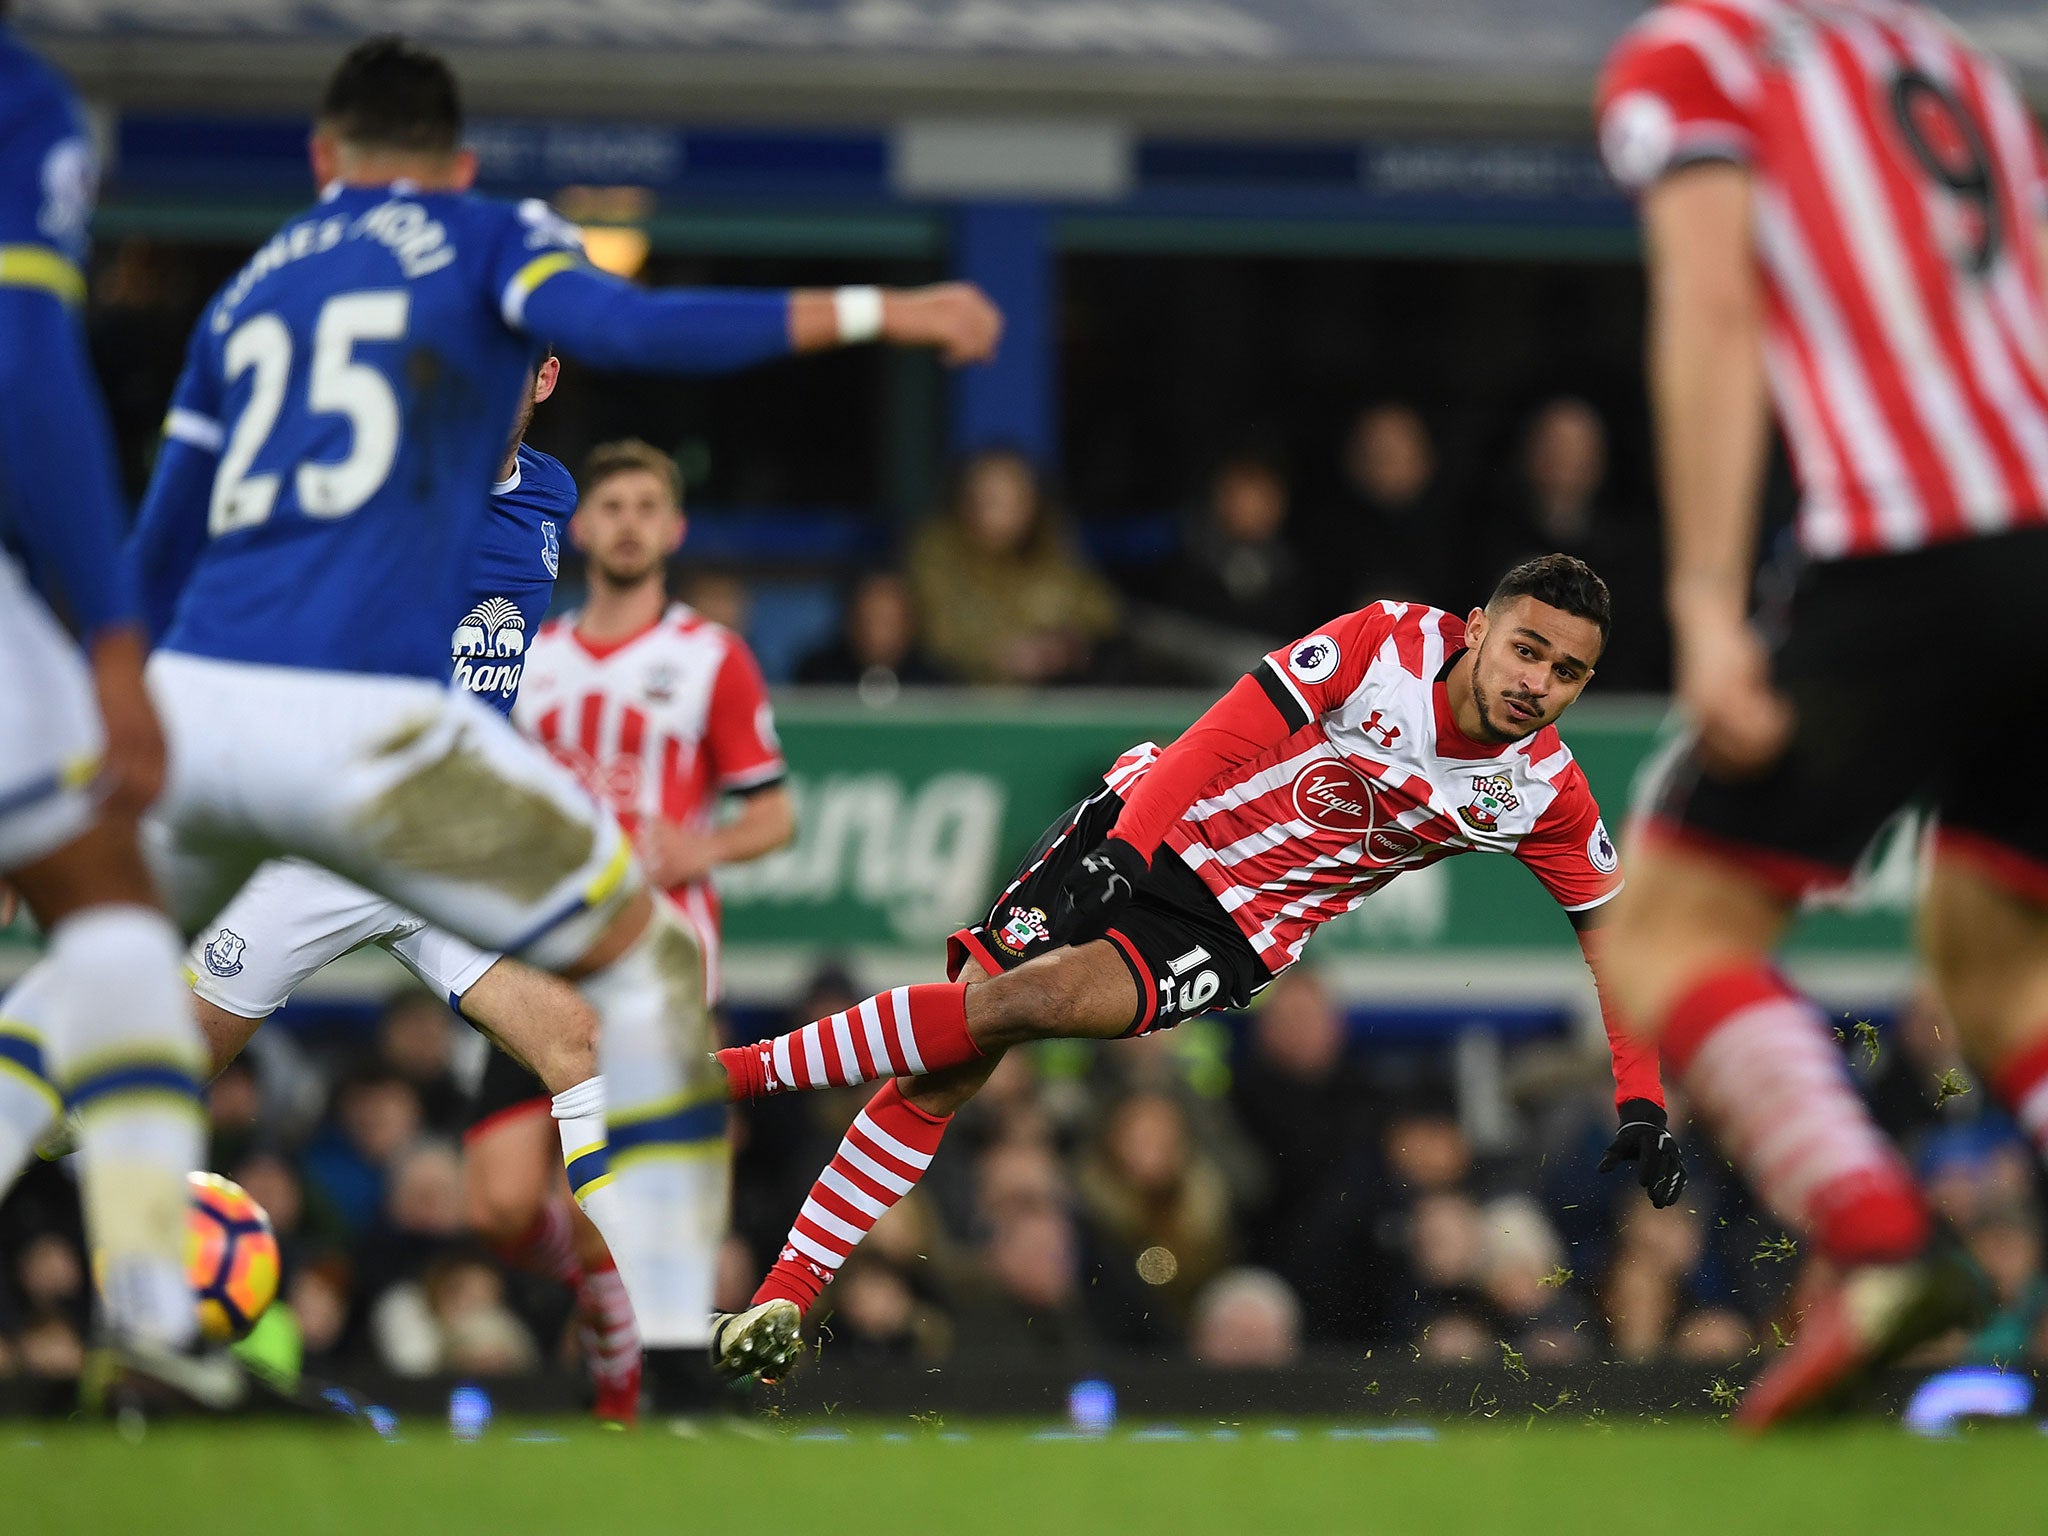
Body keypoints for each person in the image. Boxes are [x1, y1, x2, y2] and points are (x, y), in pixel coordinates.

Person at [68, 34, 998, 1414]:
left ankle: (673, 1361)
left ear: (543, 377)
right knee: (150, 1057)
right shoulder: (389, 473)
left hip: (429, 828)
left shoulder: (547, 495)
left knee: (580, 1043)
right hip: (311, 820)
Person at [710, 554, 1689, 1380]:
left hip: (1234, 935)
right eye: (1525, 649)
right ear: (1475, 630)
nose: (1536, 683)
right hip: (1151, 829)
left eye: (1566, 673)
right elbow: (1223, 731)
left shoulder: (1543, 794)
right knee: (955, 1058)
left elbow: (1613, 945)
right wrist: (1125, 851)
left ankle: (721, 1082)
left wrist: (1639, 1100)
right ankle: (782, 1293)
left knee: (1019, 1005)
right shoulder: (1381, 644)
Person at [1594, 0, 2048, 1428]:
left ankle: (1880, 1246)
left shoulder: (1706, 54)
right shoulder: (1961, 61)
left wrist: (1711, 602)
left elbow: (1713, 308)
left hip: (1915, 547)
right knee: (1993, 958)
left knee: (1663, 928)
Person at [469, 436, 795, 1416]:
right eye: (609, 505)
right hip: (538, 962)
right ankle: (605, 1301)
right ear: (579, 526)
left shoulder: (710, 659)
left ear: (673, 528)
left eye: (645, 506)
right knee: (495, 1206)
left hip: (658, 970)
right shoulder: (530, 652)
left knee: (620, 1201)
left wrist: (702, 850)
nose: (626, 522)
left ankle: (628, 1400)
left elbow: (772, 811)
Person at [0, 11, 224, 1405]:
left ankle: (153, 1325)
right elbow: (22, 364)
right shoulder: (23, 101)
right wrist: (114, 636)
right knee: (116, 916)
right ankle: (150, 1324)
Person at [909, 447, 1120, 686]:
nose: (999, 512)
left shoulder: (1051, 546)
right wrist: (1006, 654)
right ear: (967, 501)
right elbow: (938, 635)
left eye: (1013, 499)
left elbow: (1102, 614)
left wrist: (1065, 646)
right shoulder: (938, 550)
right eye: (990, 499)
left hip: (1049, 700)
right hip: (956, 699)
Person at [1159, 452, 1315, 643]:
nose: (1252, 509)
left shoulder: (1289, 570)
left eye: (1264, 498)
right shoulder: (1186, 551)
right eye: (1243, 497)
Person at [793, 569, 944, 695]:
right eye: (869, 619)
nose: (878, 633)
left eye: (888, 622)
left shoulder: (940, 685)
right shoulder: (817, 677)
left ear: (909, 624)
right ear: (851, 621)